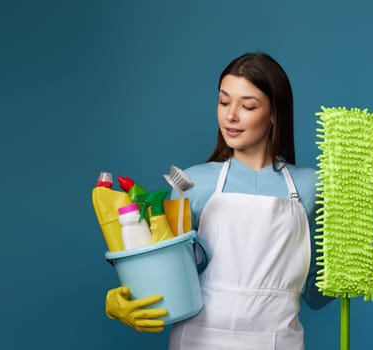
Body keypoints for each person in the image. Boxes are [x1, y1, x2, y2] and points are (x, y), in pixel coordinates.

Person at [105, 52, 332, 349]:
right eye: (224, 102)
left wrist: (352, 262)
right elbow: (170, 276)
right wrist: (126, 297)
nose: (231, 116)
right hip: (199, 340)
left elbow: (318, 292)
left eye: (247, 105)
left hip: (278, 342)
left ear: (275, 113)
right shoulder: (192, 184)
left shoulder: (312, 186)